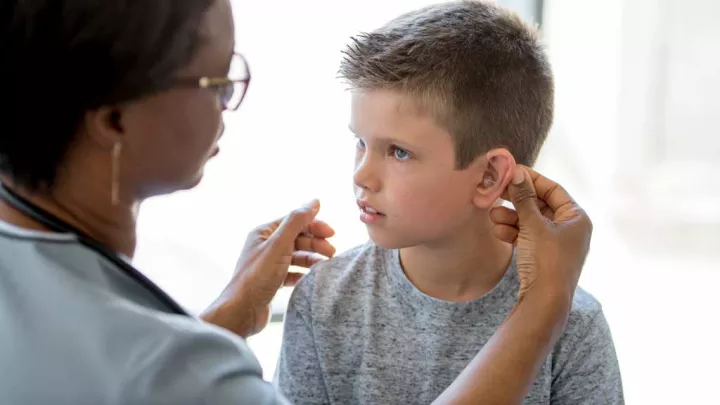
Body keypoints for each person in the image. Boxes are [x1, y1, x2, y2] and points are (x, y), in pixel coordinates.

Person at [0, 0, 593, 404]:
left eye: (398, 151)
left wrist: (229, 316)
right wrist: (546, 302)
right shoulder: (197, 365)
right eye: (216, 81)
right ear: (113, 117)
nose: (231, 99)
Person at [275, 1, 624, 404]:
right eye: (360, 142)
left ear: (490, 176)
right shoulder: (323, 303)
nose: (361, 175)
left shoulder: (573, 326)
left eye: (398, 152)